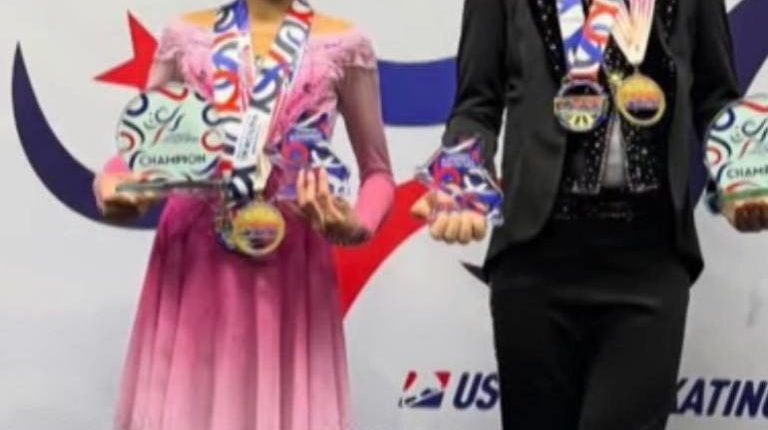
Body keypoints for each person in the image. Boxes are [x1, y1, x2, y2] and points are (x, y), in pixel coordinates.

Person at [412, 0, 768, 428]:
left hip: (649, 262)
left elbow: (716, 99)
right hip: (536, 259)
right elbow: (476, 105)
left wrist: (740, 178)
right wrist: (459, 182)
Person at [93, 1, 394, 429]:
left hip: (290, 268)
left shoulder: (345, 46)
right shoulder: (184, 37)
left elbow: (378, 172)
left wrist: (357, 223)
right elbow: (138, 153)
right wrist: (114, 184)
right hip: (194, 262)